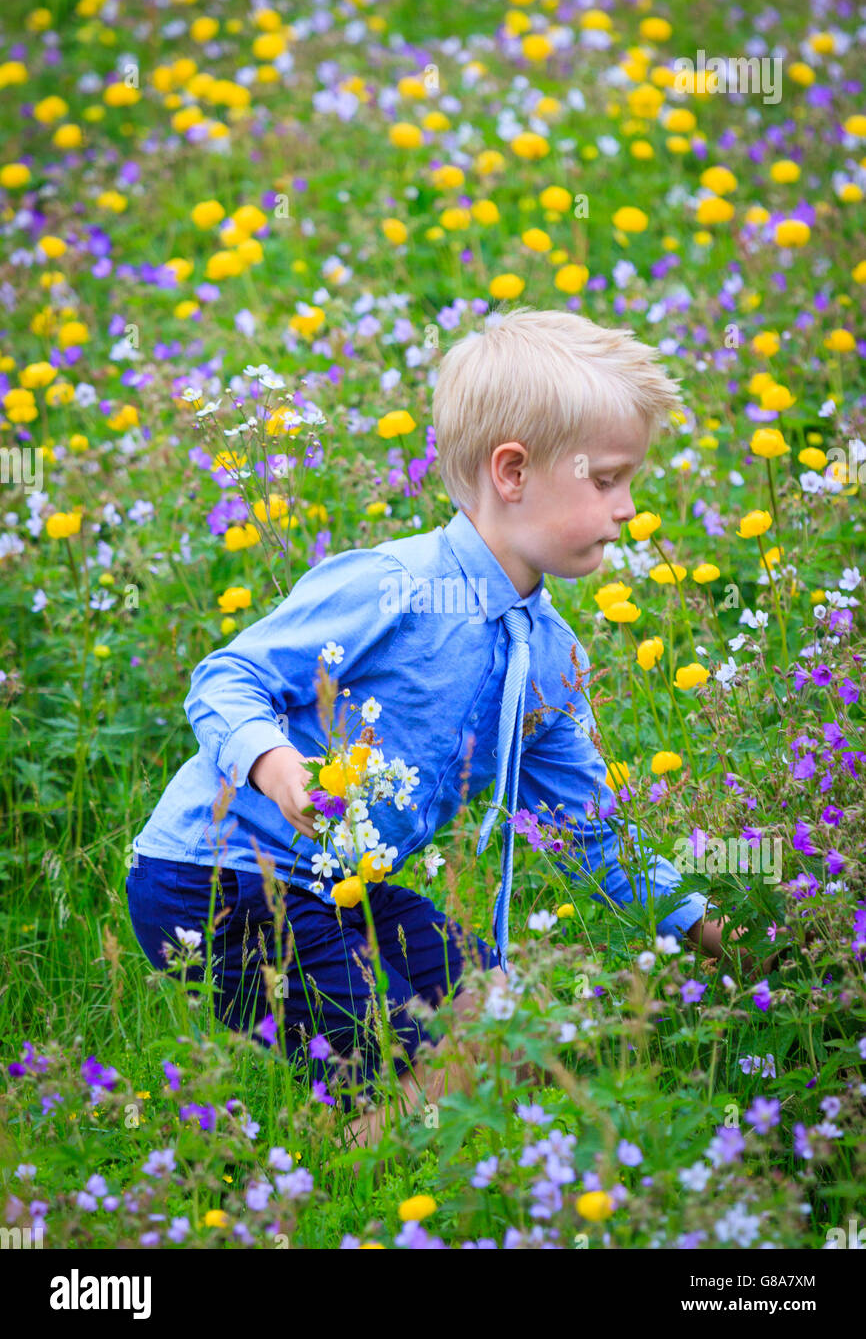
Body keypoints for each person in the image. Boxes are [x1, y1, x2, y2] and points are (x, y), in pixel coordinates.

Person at [126, 306, 760, 1150]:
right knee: (451, 1057)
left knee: (504, 1025)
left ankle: (354, 1146)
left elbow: (594, 834)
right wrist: (273, 760)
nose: (628, 510)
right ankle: (345, 1187)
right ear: (512, 472)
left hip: (336, 887)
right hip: (217, 882)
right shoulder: (397, 586)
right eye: (607, 480)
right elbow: (227, 678)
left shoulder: (549, 659)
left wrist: (716, 932)